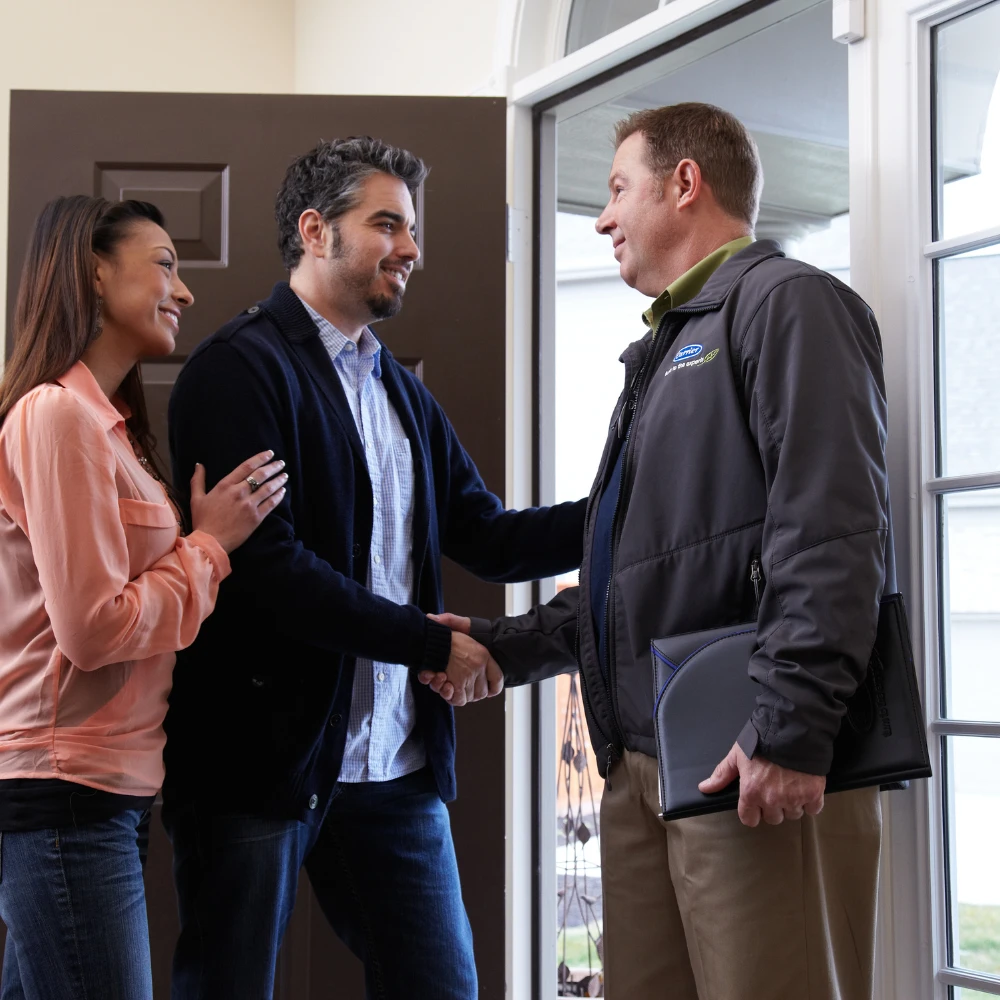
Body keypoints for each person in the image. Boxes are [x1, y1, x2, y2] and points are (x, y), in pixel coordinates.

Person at [424, 103, 888, 1000]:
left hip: (747, 760)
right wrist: (502, 645)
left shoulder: (788, 304)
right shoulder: (665, 348)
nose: (601, 218)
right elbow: (633, 576)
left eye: (616, 189)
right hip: (646, 764)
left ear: (685, 185)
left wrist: (790, 730)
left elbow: (833, 530)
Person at [162, 136, 586, 1000]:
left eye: (412, 228)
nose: (411, 249)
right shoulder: (237, 370)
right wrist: (429, 645)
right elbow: (273, 571)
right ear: (316, 232)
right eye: (386, 223)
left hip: (393, 770)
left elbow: (489, 534)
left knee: (444, 987)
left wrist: (626, 511)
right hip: (261, 768)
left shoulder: (398, 389)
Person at [0, 196, 286, 1000]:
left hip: (101, 794)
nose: (184, 290)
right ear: (95, 272)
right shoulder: (57, 416)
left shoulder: (109, 430)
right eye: (163, 263)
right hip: (68, 795)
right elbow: (92, 632)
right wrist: (209, 545)